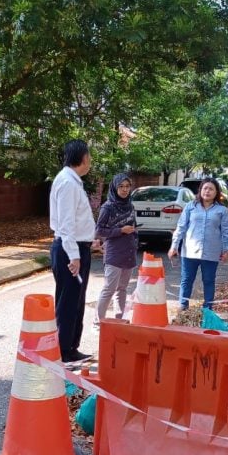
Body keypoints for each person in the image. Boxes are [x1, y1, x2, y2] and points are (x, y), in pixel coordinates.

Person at [49, 139, 97, 363]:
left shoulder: (72, 181)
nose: (90, 161)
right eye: (89, 156)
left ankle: (71, 347)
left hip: (78, 246)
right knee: (68, 301)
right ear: (83, 157)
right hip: (71, 249)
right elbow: (66, 225)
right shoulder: (68, 183)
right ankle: (63, 350)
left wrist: (89, 241)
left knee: (77, 300)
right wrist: (74, 255)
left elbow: (76, 221)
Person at [167, 178, 228, 310]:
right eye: (205, 188)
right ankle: (183, 306)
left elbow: (226, 231)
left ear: (216, 192)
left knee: (209, 281)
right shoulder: (190, 206)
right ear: (200, 190)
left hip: (211, 252)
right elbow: (181, 227)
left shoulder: (222, 210)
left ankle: (208, 309)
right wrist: (174, 246)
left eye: (211, 189)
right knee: (186, 280)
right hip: (190, 251)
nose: (207, 191)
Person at [94, 173, 137, 324]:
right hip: (114, 253)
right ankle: (99, 321)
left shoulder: (130, 205)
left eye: (127, 186)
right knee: (109, 289)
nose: (125, 190)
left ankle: (120, 320)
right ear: (114, 187)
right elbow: (99, 230)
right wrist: (120, 231)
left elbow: (133, 225)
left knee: (122, 289)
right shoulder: (108, 207)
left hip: (129, 251)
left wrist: (133, 233)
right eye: (121, 186)